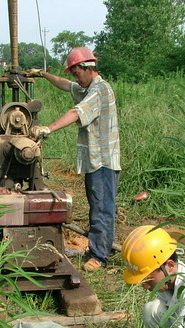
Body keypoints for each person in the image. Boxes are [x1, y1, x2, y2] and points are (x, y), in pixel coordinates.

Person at [27, 47, 121, 272]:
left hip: (103, 161)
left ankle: (100, 256)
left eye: (76, 72)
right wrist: (41, 73)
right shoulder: (88, 87)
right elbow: (64, 84)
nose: (75, 77)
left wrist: (47, 129)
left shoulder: (99, 90)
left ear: (88, 68)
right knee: (97, 206)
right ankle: (98, 248)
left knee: (102, 208)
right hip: (95, 160)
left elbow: (76, 112)